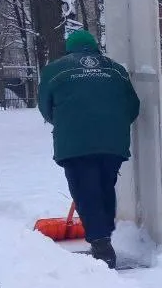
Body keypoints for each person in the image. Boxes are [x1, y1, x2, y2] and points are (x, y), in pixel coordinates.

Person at [38, 29, 140, 269]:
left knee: (86, 191)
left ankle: (101, 243)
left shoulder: (55, 70)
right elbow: (133, 106)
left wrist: (67, 123)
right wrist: (112, 126)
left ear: (69, 48)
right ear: (94, 46)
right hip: (112, 143)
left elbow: (45, 107)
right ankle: (103, 235)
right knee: (105, 187)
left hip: (75, 144)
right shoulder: (116, 70)